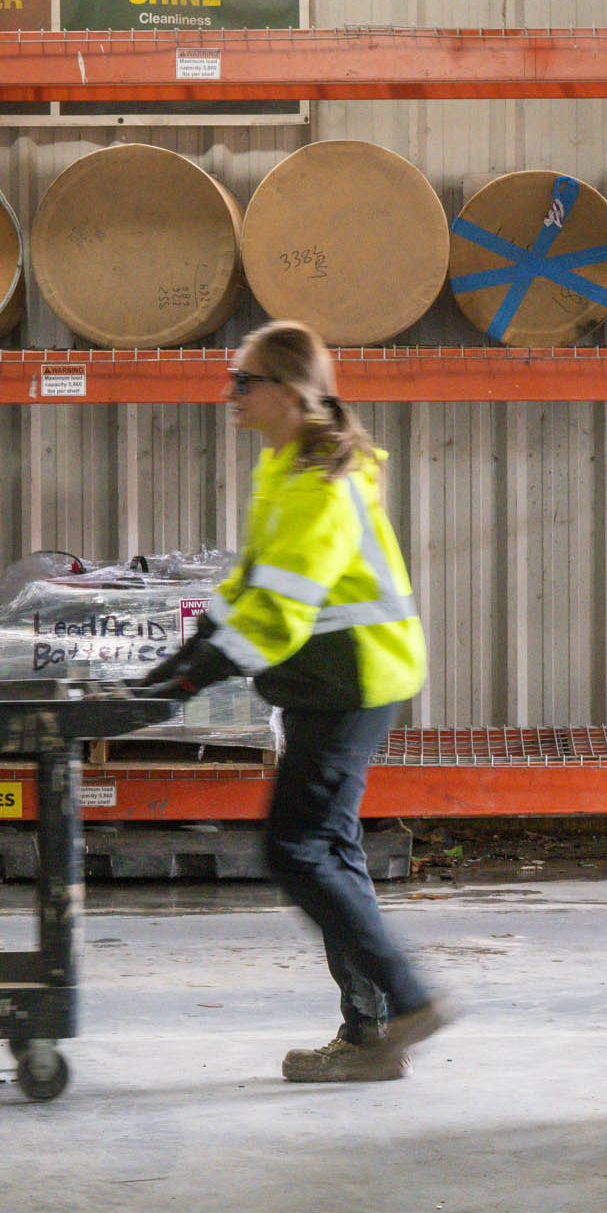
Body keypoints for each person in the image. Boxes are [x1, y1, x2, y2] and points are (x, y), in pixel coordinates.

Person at [135, 319, 454, 1081]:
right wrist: (175, 661)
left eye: (243, 381)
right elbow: (252, 583)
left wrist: (191, 679)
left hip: (352, 680)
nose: (230, 393)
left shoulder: (319, 484)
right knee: (328, 849)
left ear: (286, 391)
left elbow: (280, 615)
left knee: (297, 847)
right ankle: (372, 1034)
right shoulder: (285, 466)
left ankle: (405, 1000)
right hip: (328, 678)